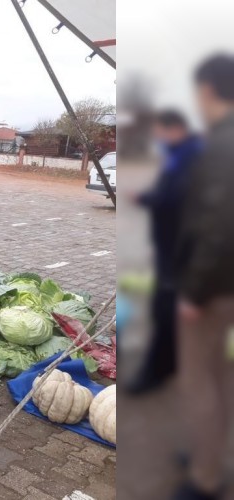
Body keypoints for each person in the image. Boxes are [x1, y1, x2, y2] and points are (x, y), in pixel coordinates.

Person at [173, 53, 234, 500]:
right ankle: (210, 451)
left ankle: (206, 476)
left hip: (213, 288)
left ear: (209, 91)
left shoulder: (221, 145)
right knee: (220, 374)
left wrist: (192, 292)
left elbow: (215, 226)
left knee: (201, 378)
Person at [126, 110, 201, 395]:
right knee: (166, 308)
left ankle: (155, 373)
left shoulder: (190, 156)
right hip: (171, 245)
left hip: (182, 248)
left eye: (161, 132)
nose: (159, 138)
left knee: (166, 309)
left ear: (175, 129)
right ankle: (168, 364)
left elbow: (175, 198)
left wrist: (145, 198)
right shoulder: (181, 153)